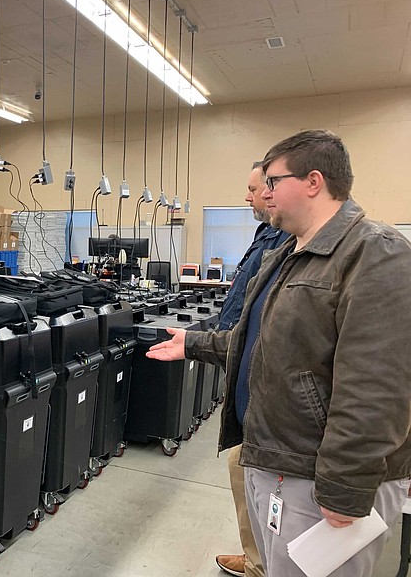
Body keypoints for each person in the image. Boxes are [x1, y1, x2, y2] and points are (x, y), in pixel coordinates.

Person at [148, 130, 411, 576]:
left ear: (313, 181)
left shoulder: (375, 254)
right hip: (273, 457)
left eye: (272, 181)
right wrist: (193, 343)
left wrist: (345, 487)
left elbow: (377, 387)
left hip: (321, 479)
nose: (263, 193)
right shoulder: (288, 253)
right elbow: (266, 342)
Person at [216, 161, 290, 577]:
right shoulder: (269, 234)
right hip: (244, 370)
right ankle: (257, 558)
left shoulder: (296, 242)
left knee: (255, 475)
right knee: (241, 469)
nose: (249, 197)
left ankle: (263, 563)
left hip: (267, 384)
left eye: (255, 188)